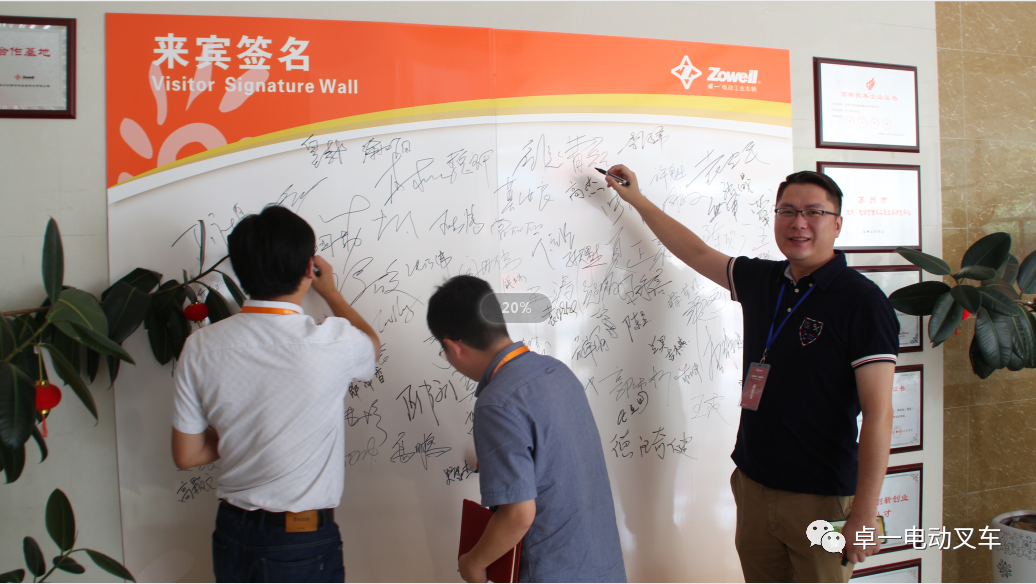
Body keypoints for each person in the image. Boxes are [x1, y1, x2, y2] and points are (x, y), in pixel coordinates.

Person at [602, 166, 898, 583]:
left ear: (837, 224)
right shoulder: (765, 280)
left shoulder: (862, 301)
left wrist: (864, 513)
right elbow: (697, 253)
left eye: (814, 212)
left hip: (821, 496)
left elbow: (879, 414)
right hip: (754, 484)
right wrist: (637, 199)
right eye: (787, 211)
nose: (798, 223)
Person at [171, 205, 380, 582]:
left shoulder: (200, 346)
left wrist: (245, 431)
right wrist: (332, 293)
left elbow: (187, 455)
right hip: (299, 541)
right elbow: (371, 346)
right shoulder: (334, 342)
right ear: (309, 268)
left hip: (231, 533)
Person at [427, 275, 627, 583]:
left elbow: (518, 516)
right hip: (604, 568)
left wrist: (472, 564)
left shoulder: (496, 403)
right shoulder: (558, 372)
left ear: (454, 348)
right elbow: (556, 457)